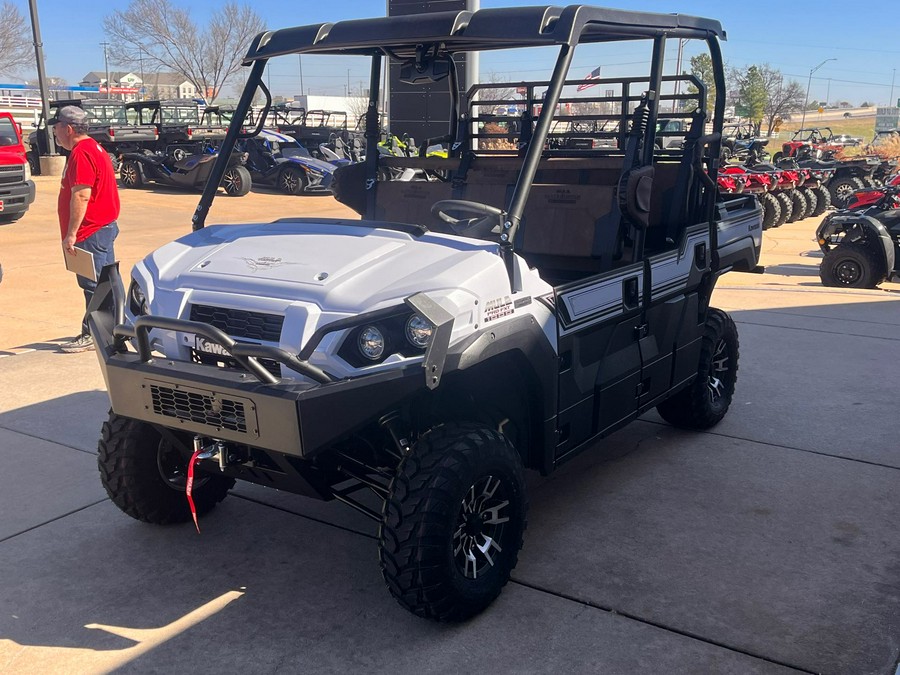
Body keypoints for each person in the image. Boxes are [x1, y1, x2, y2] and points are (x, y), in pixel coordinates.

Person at [52, 105, 121, 353]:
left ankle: (95, 334)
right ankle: (115, 329)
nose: (55, 133)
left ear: (68, 128)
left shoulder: (82, 152)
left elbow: (81, 195)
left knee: (93, 286)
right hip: (101, 228)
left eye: (56, 128)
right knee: (105, 283)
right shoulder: (93, 147)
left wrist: (71, 234)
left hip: (91, 231)